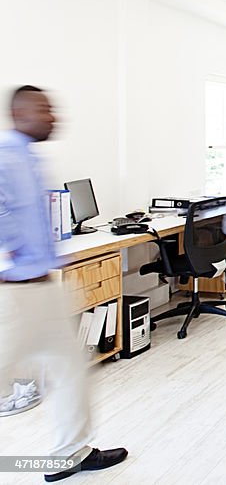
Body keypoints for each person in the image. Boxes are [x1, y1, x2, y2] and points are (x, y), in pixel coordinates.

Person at [0, 85, 128, 482]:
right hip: (14, 293)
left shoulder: (30, 159)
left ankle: (70, 454)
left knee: (71, 368)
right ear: (20, 113)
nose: (53, 116)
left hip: (43, 287)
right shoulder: (6, 157)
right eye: (44, 109)